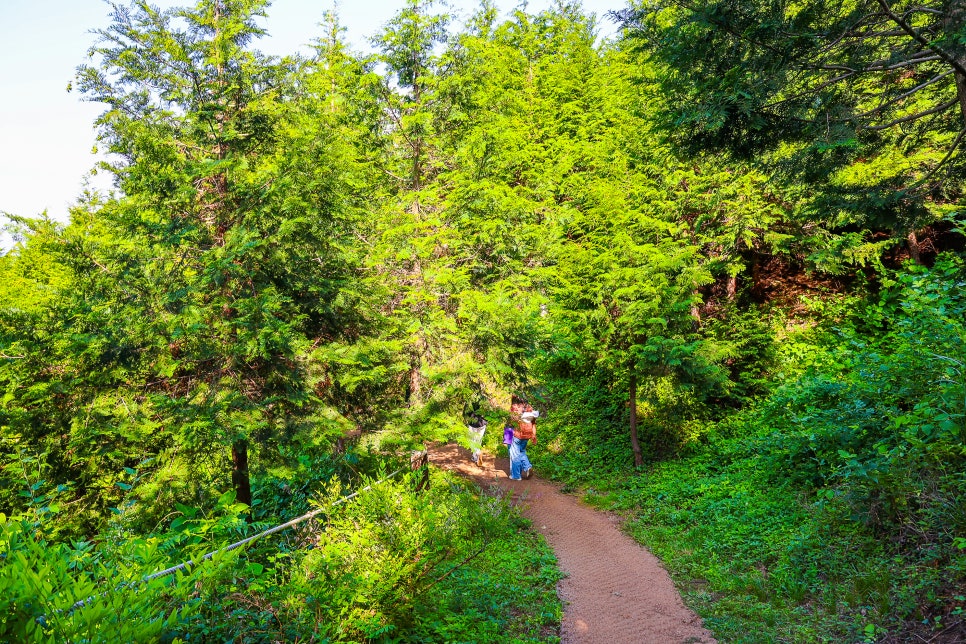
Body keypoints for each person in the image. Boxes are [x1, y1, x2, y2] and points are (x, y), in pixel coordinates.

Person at [508, 395, 539, 480]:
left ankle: (516, 476)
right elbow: (533, 423)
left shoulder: (515, 407)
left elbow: (510, 423)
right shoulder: (529, 409)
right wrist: (534, 435)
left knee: (515, 455)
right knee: (522, 452)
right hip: (527, 435)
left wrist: (507, 438)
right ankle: (528, 467)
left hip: (516, 434)